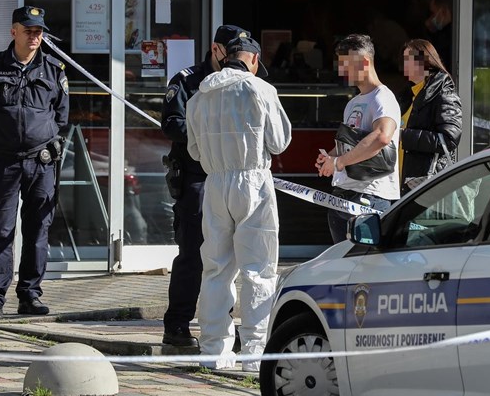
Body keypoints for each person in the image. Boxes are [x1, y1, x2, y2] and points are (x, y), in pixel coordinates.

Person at [186, 36, 291, 371]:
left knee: (216, 268)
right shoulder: (260, 90)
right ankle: (254, 353)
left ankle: (213, 351)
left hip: (215, 182)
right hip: (254, 181)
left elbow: (194, 151)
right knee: (259, 270)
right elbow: (279, 142)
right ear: (254, 60)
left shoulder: (200, 95)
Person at [0, 6, 69, 320]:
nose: (35, 37)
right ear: (14, 32)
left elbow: (62, 117)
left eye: (39, 31)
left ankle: (30, 295)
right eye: (28, 31)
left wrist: (46, 142)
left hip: (41, 162)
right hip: (3, 162)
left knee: (38, 230)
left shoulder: (54, 69)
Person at [160, 25, 250, 347]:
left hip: (230, 177)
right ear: (216, 50)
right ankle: (177, 325)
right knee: (195, 253)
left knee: (228, 256)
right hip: (197, 177)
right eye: (232, 52)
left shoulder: (241, 85)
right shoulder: (186, 81)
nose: (237, 59)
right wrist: (206, 131)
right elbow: (171, 124)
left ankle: (221, 325)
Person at [315, 34, 401, 243]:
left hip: (370, 197)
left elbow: (382, 136)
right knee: (346, 266)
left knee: (366, 267)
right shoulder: (353, 103)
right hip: (345, 194)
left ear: (364, 62)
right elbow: (348, 144)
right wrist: (330, 158)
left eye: (346, 65)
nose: (342, 71)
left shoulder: (383, 98)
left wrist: (339, 161)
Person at [398, 39, 462, 194]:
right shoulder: (409, 95)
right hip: (403, 182)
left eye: (409, 59)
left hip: (426, 183)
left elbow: (450, 139)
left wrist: (403, 135)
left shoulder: (443, 91)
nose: (404, 64)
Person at [425, 0, 453, 72]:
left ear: (443, 12)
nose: (430, 19)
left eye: (433, 13)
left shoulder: (446, 38)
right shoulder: (449, 34)